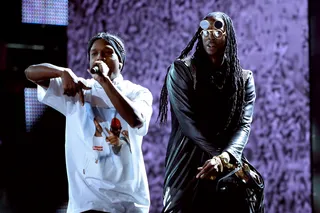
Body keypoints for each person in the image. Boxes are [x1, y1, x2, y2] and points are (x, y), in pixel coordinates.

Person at [25, 32, 153, 213]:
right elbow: (31, 73)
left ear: (120, 62)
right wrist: (62, 71)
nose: (99, 57)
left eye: (107, 52)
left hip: (129, 203)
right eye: (94, 53)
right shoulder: (79, 89)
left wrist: (104, 80)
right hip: (88, 203)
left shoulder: (137, 93)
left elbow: (136, 120)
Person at [158, 12, 264, 212]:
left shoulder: (244, 79)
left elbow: (244, 125)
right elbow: (188, 125)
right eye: (205, 27)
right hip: (188, 163)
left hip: (225, 163)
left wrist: (226, 159)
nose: (210, 33)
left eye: (217, 27)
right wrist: (223, 158)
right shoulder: (181, 70)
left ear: (228, 34)